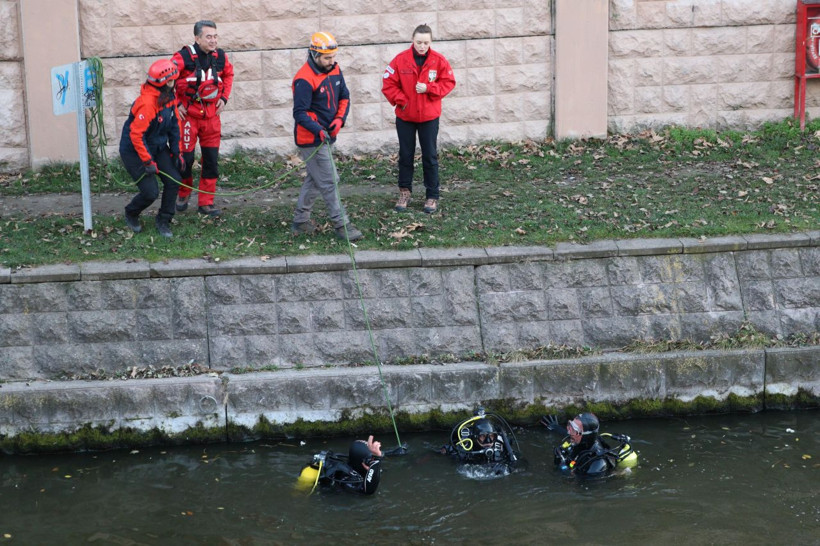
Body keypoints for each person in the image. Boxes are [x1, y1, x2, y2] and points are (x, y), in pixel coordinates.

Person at [291, 31, 362, 242]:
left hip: (328, 135)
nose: (331, 62)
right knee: (330, 179)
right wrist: (319, 130)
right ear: (315, 55)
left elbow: (345, 97)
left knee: (316, 178)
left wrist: (339, 120)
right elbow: (300, 113)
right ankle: (342, 225)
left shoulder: (335, 69)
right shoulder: (304, 79)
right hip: (311, 139)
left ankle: (300, 221)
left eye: (333, 57)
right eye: (327, 58)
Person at [381, 24, 456, 214]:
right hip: (405, 116)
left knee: (429, 156)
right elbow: (388, 84)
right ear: (412, 41)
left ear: (431, 42)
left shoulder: (439, 61)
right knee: (405, 155)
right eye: (419, 42)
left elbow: (448, 83)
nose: (422, 46)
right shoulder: (400, 60)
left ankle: (432, 195)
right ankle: (404, 191)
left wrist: (429, 88)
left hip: (429, 117)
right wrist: (402, 101)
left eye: (426, 43)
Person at [171, 20, 234, 217]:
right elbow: (165, 79)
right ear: (197, 38)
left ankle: (206, 202)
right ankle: (184, 191)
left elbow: (229, 75)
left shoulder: (221, 57)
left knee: (211, 161)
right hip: (188, 118)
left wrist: (224, 98)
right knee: (185, 160)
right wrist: (176, 104)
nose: (213, 40)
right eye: (208, 37)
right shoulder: (182, 57)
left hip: (211, 118)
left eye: (215, 36)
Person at [120, 59, 184, 239]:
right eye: (173, 81)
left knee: (174, 180)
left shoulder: (169, 97)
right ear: (166, 82)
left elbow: (174, 125)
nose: (175, 83)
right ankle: (131, 212)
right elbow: (136, 135)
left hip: (157, 146)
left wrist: (176, 152)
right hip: (135, 151)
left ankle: (164, 219)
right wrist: (148, 161)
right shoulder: (148, 103)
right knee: (150, 192)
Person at [541, 412, 638, 477]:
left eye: (574, 429)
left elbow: (576, 483)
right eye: (570, 425)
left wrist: (561, 464)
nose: (569, 431)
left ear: (586, 435)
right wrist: (554, 427)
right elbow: (569, 434)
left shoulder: (597, 464)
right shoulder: (580, 440)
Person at [440, 408, 521, 476]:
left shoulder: (501, 445)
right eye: (483, 436)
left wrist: (507, 469)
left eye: (492, 436)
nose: (488, 441)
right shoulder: (466, 448)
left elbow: (520, 463)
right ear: (475, 438)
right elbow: (447, 452)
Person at [296, 435, 383, 495]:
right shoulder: (348, 479)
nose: (372, 461)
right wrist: (376, 462)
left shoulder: (353, 464)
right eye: (370, 460)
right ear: (362, 461)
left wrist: (377, 456)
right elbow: (367, 492)